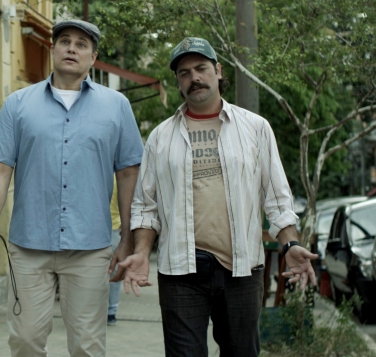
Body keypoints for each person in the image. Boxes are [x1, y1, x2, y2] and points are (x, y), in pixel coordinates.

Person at [121, 37, 318, 357]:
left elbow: (277, 199)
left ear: (218, 71)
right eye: (184, 73)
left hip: (242, 268)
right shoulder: (160, 137)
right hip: (180, 271)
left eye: (201, 68)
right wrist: (141, 252)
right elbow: (146, 206)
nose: (194, 77)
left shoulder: (255, 128)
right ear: (178, 82)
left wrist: (290, 244)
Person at [0, 19, 144, 357]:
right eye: (65, 41)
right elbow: (0, 169)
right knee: (24, 341)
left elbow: (128, 173)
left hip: (89, 247)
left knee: (87, 345)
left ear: (93, 58)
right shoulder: (18, 104)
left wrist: (127, 238)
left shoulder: (116, 106)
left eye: (81, 44)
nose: (71, 48)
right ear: (53, 50)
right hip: (28, 245)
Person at [108, 176, 122, 326]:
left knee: (114, 270)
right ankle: (111, 311)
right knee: (114, 271)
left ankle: (110, 310)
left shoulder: (117, 176)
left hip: (112, 228)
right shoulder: (118, 176)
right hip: (113, 229)